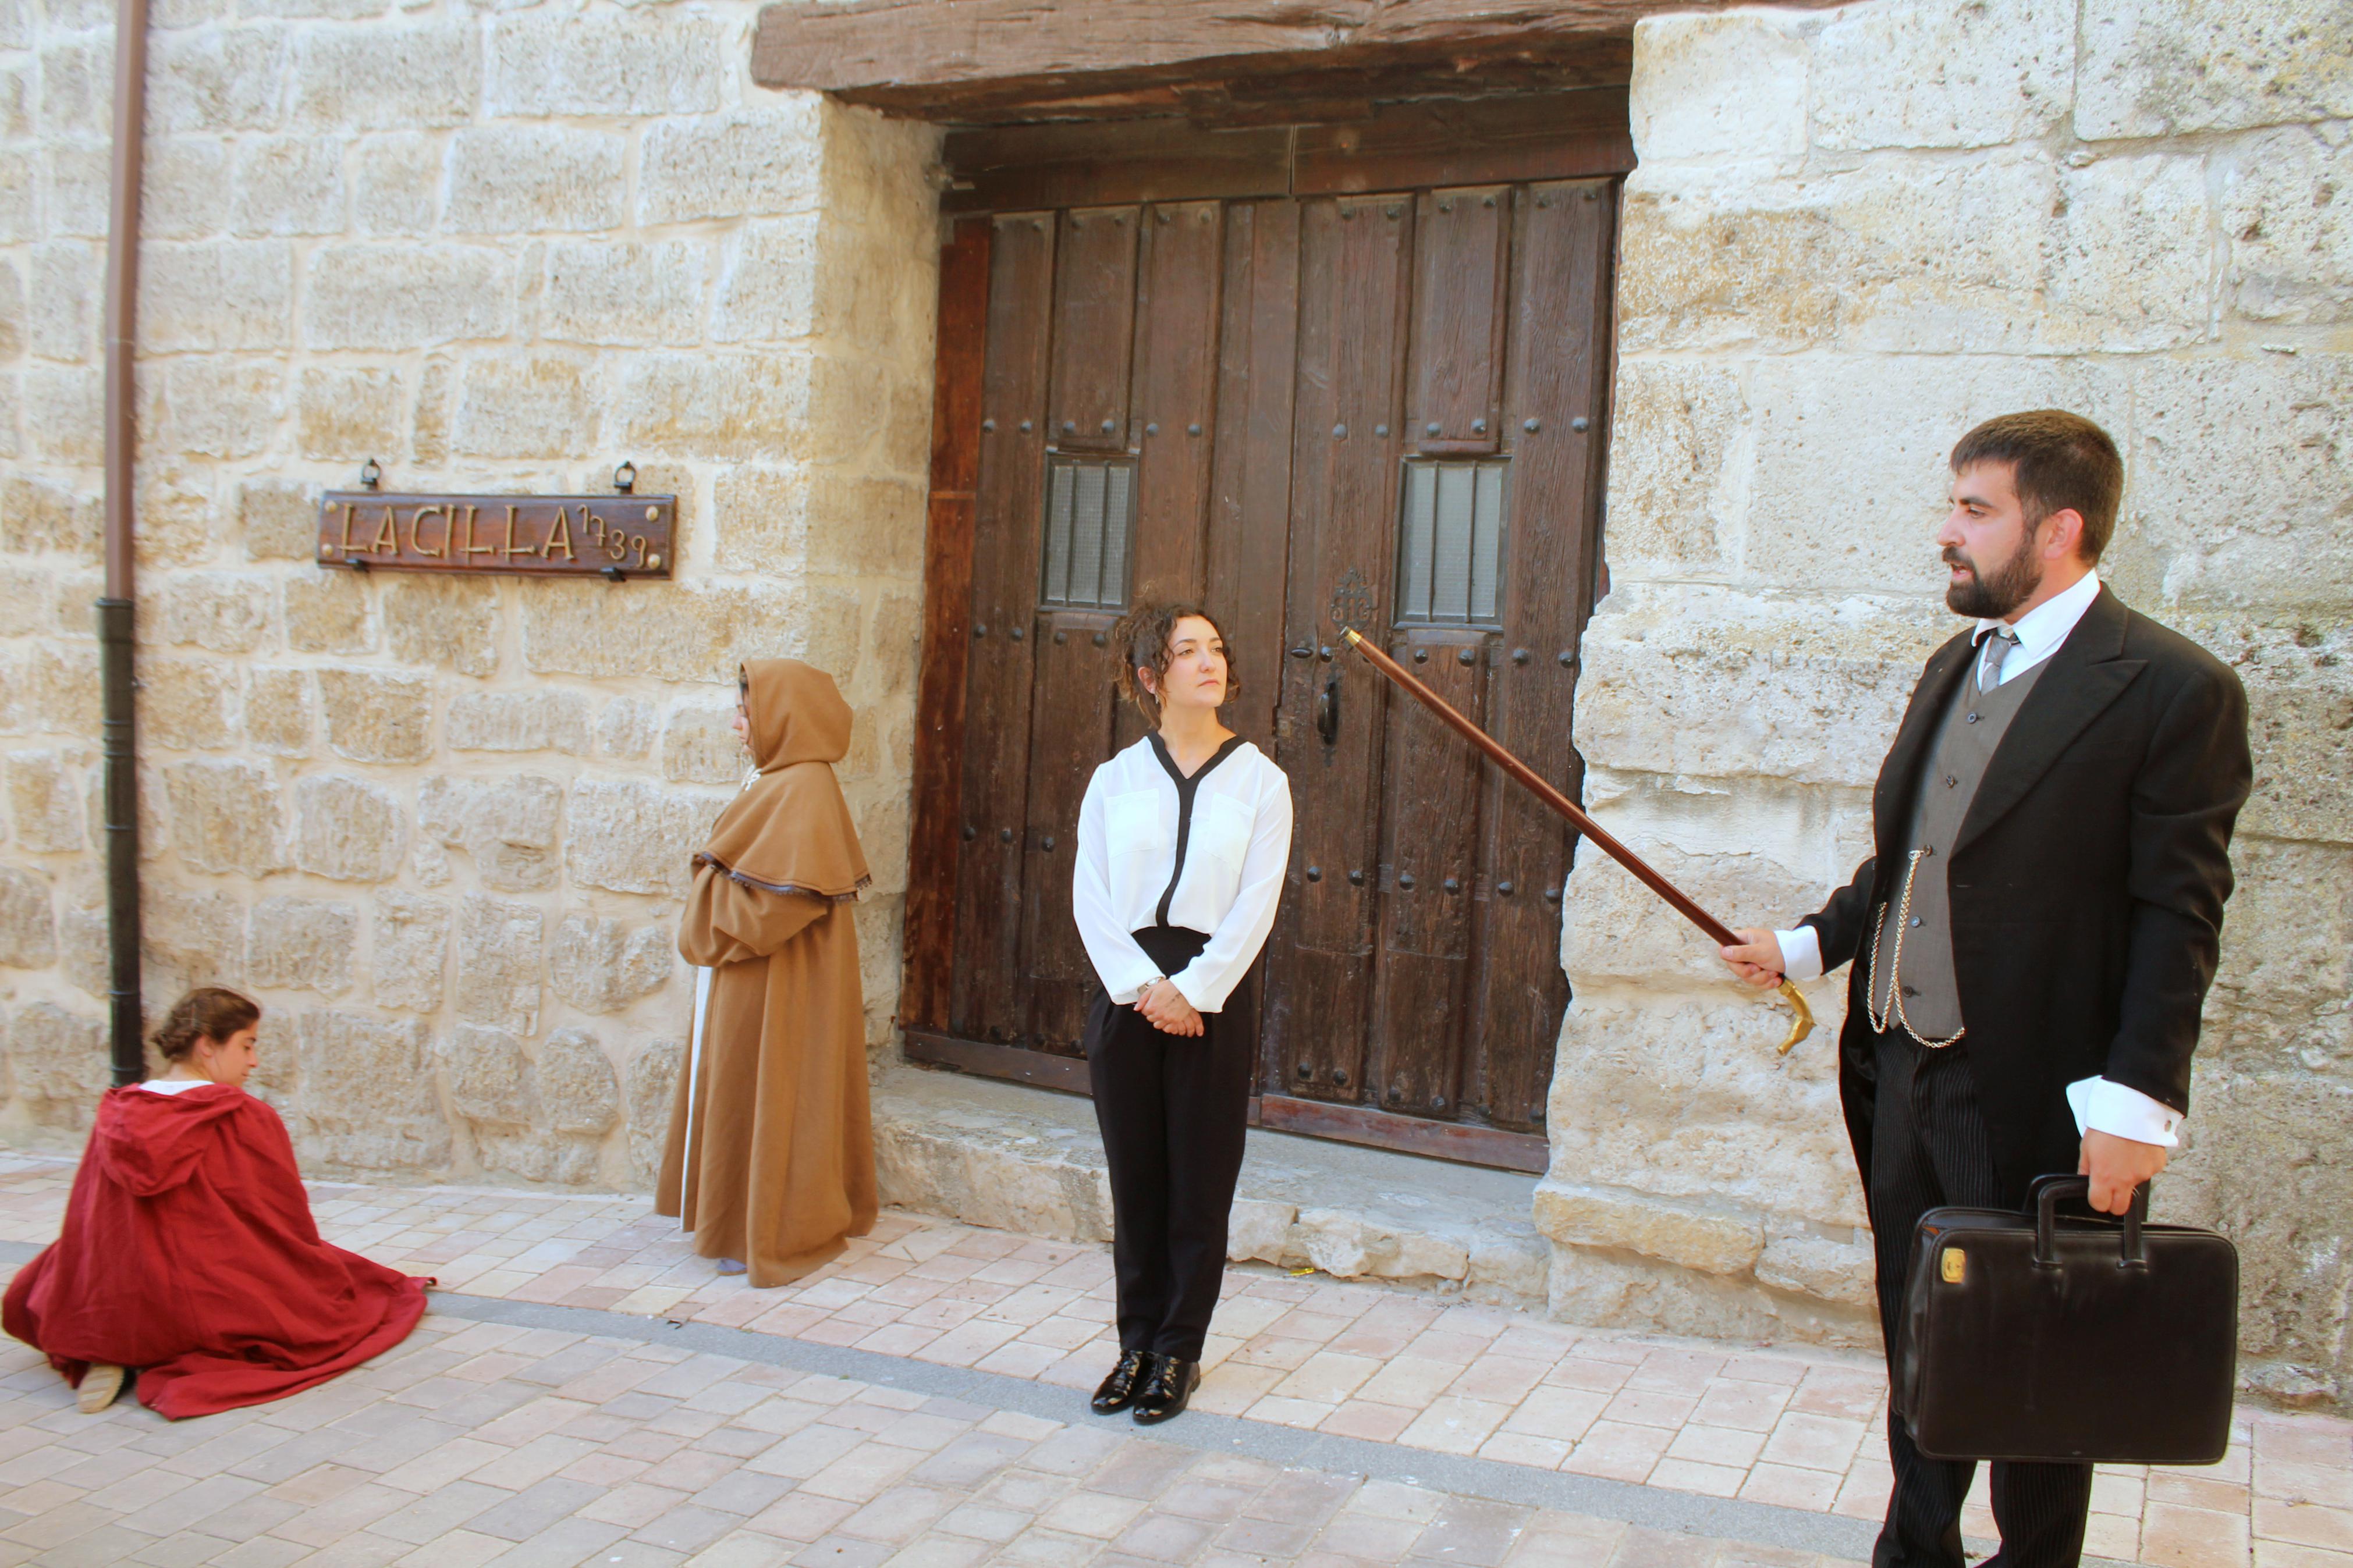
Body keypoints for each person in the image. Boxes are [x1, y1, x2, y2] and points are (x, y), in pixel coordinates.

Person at [1719, 411, 2251, 1568]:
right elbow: (1915, 856)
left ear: (2055, 529)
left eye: (1973, 510)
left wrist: (2136, 1107)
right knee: (1922, 1333)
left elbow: (2178, 916)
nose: (1945, 532)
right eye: (1950, 506)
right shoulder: (1955, 662)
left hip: (2039, 1089)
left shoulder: (2173, 690)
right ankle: (1915, 1551)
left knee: (2035, 1355)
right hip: (1898, 1068)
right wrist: (1807, 945)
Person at [2, 988, 431, 1419]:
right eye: (247, 1045)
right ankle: (158, 1345)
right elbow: (283, 1223)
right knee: (306, 1288)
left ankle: (113, 1348)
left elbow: (89, 1222)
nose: (254, 1061)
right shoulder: (244, 1115)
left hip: (120, 1300)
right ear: (207, 1045)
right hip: (206, 1300)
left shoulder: (117, 1115)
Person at [1072, 603, 1293, 1424]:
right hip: (1126, 993)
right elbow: (1090, 895)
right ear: (1149, 676)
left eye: (1216, 647)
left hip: (1211, 998)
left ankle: (1177, 1351)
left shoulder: (1261, 782)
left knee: (1199, 1184)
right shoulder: (1114, 780)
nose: (1209, 661)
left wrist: (1192, 990)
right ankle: (1134, 1343)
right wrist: (1141, 985)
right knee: (1137, 1181)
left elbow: (1255, 904)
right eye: (1186, 650)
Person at [658, 658, 877, 1287]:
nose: (737, 724)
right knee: (748, 1086)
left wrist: (708, 902)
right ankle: (738, 1220)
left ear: (782, 716)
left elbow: (777, 906)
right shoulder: (780, 780)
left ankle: (768, 1228)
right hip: (758, 973)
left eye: (745, 712)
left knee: (774, 1088)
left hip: (780, 976)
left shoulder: (801, 788)